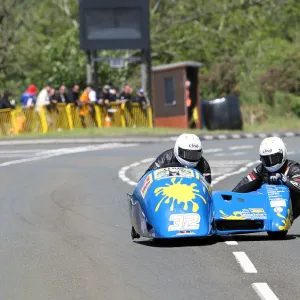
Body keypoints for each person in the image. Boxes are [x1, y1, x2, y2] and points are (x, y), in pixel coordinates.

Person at [232, 137, 300, 220]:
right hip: (265, 206)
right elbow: (244, 183)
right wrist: (231, 198)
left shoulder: (294, 168)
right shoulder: (260, 169)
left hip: (292, 206)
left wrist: (284, 179)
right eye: (266, 159)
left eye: (274, 158)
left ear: (283, 154)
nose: (270, 163)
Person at [142, 133, 212, 184]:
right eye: (187, 153)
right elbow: (145, 179)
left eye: (195, 154)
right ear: (177, 150)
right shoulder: (165, 158)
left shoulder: (204, 164)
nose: (191, 158)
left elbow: (207, 187)